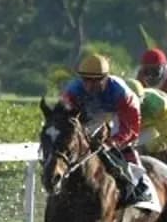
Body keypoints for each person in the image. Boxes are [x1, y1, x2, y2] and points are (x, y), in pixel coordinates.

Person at [59, 54, 149, 206]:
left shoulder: (121, 93)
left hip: (117, 113)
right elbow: (64, 121)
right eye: (86, 79)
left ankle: (140, 184)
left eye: (96, 80)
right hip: (89, 114)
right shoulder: (72, 91)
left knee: (118, 147)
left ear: (106, 77)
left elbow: (131, 129)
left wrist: (113, 141)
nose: (90, 85)